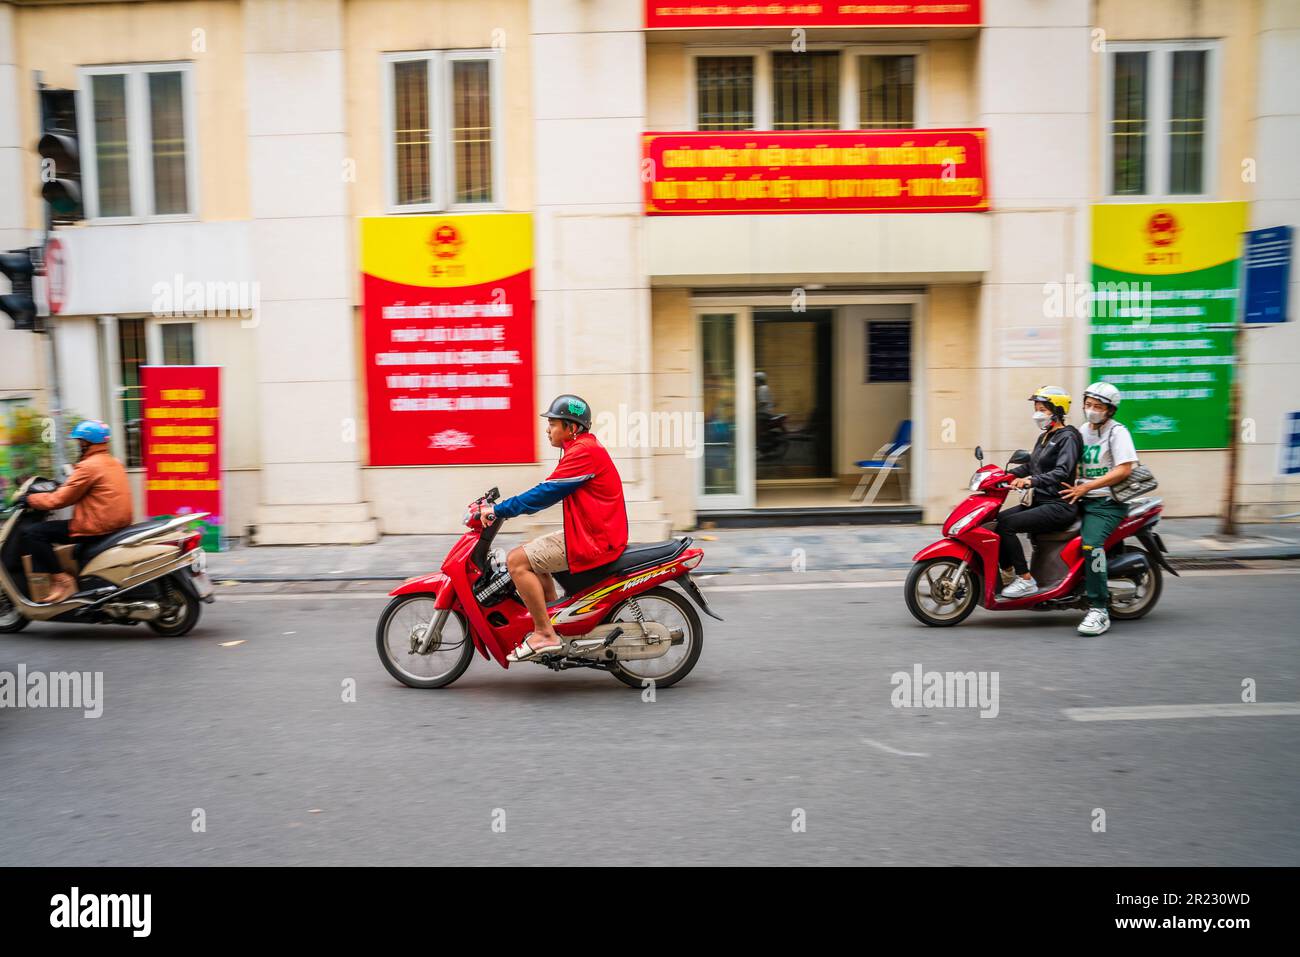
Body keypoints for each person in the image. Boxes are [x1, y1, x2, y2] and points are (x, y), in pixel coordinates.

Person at [478, 394, 628, 661]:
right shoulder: (582, 448)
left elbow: (545, 492)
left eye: (553, 423)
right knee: (532, 555)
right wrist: (508, 509)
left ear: (571, 428)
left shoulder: (583, 452)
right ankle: (554, 626)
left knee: (516, 562)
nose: (547, 429)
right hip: (591, 532)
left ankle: (544, 633)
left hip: (593, 539)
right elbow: (547, 494)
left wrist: (499, 510)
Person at [21, 420, 133, 604]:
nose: (78, 445)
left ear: (86, 442)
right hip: (115, 523)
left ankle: (62, 580)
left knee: (33, 533)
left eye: (79, 441)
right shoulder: (114, 462)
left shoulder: (89, 466)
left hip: (95, 527)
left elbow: (58, 500)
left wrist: (29, 499)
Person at [1060, 382, 1137, 637]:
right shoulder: (1083, 430)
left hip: (1106, 502)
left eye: (1098, 406)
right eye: (1088, 404)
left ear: (1110, 410)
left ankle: (1099, 609)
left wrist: (1087, 487)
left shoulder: (1118, 432)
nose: (1091, 410)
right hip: (1080, 496)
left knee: (1092, 546)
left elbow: (1124, 469)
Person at [996, 387, 1083, 598]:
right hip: (1039, 501)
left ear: (1057, 410)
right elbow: (1031, 466)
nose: (1037, 413)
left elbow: (1062, 471)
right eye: (1036, 408)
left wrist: (1031, 481)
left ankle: (1025, 579)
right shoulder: (1045, 437)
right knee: (996, 520)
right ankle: (1007, 572)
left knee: (1008, 525)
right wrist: (1001, 476)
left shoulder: (1068, 437)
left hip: (1058, 505)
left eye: (1042, 409)